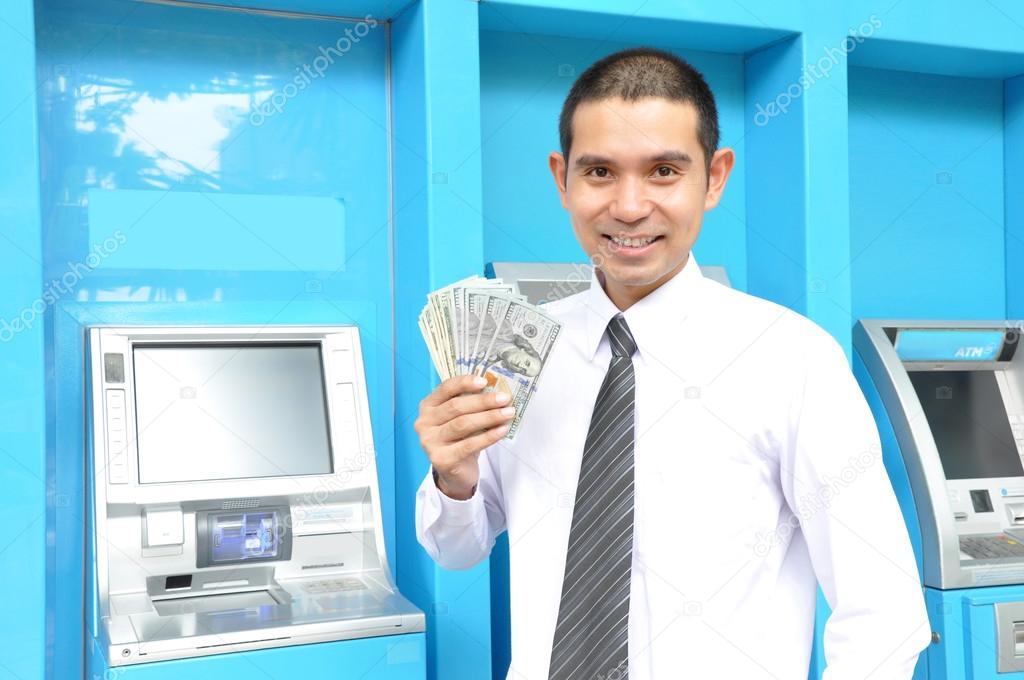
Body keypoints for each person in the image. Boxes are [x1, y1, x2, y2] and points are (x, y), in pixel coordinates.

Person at [414, 47, 930, 679]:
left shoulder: (791, 360)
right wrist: (454, 477)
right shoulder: (522, 353)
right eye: (600, 172)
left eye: (663, 171)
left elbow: (881, 607)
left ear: (713, 178)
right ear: (562, 178)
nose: (629, 208)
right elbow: (456, 549)